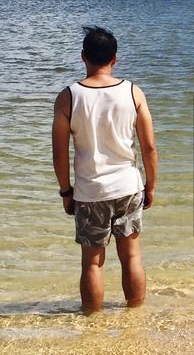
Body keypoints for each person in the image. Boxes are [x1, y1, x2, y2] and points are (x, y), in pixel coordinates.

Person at [51, 26, 158, 313]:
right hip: (128, 186)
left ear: (83, 57)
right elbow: (148, 146)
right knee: (132, 256)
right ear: (115, 59)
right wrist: (150, 186)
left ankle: (92, 323)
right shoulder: (133, 92)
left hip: (90, 191)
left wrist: (65, 191)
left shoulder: (69, 97)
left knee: (92, 263)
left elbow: (59, 152)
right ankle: (135, 314)